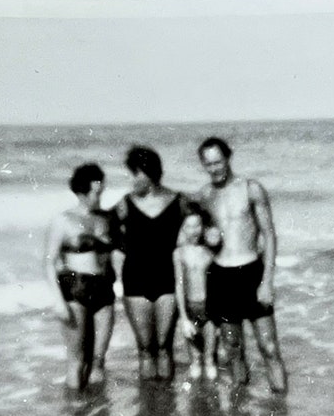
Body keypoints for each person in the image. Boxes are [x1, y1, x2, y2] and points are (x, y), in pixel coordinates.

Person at [197, 137, 287, 393]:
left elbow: (269, 235)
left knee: (269, 347)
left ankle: (281, 412)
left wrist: (267, 281)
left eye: (218, 162)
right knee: (232, 348)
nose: (214, 168)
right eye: (208, 164)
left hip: (251, 273)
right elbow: (196, 237)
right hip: (221, 277)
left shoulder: (251, 188)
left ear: (228, 158)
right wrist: (206, 239)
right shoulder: (204, 196)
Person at [113, 146, 190, 381]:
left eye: (135, 173)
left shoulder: (179, 202)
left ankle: (166, 411)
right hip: (135, 282)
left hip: (169, 282)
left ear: (150, 173)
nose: (132, 179)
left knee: (165, 347)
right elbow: (109, 241)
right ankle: (149, 413)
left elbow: (203, 228)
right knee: (145, 350)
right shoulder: (124, 204)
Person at [45, 163, 116, 391]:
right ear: (81, 192)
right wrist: (58, 301)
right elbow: (49, 261)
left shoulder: (106, 218)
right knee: (77, 360)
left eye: (102, 192)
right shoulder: (63, 220)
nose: (100, 198)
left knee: (98, 360)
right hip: (76, 288)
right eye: (96, 193)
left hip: (104, 288)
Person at [173, 211, 218, 380]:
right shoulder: (179, 253)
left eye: (197, 226)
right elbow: (179, 284)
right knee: (196, 361)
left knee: (210, 359)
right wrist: (184, 318)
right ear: (183, 229)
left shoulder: (210, 252)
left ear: (203, 227)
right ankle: (196, 401)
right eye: (189, 226)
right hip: (191, 307)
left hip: (210, 308)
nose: (194, 230)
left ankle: (214, 400)